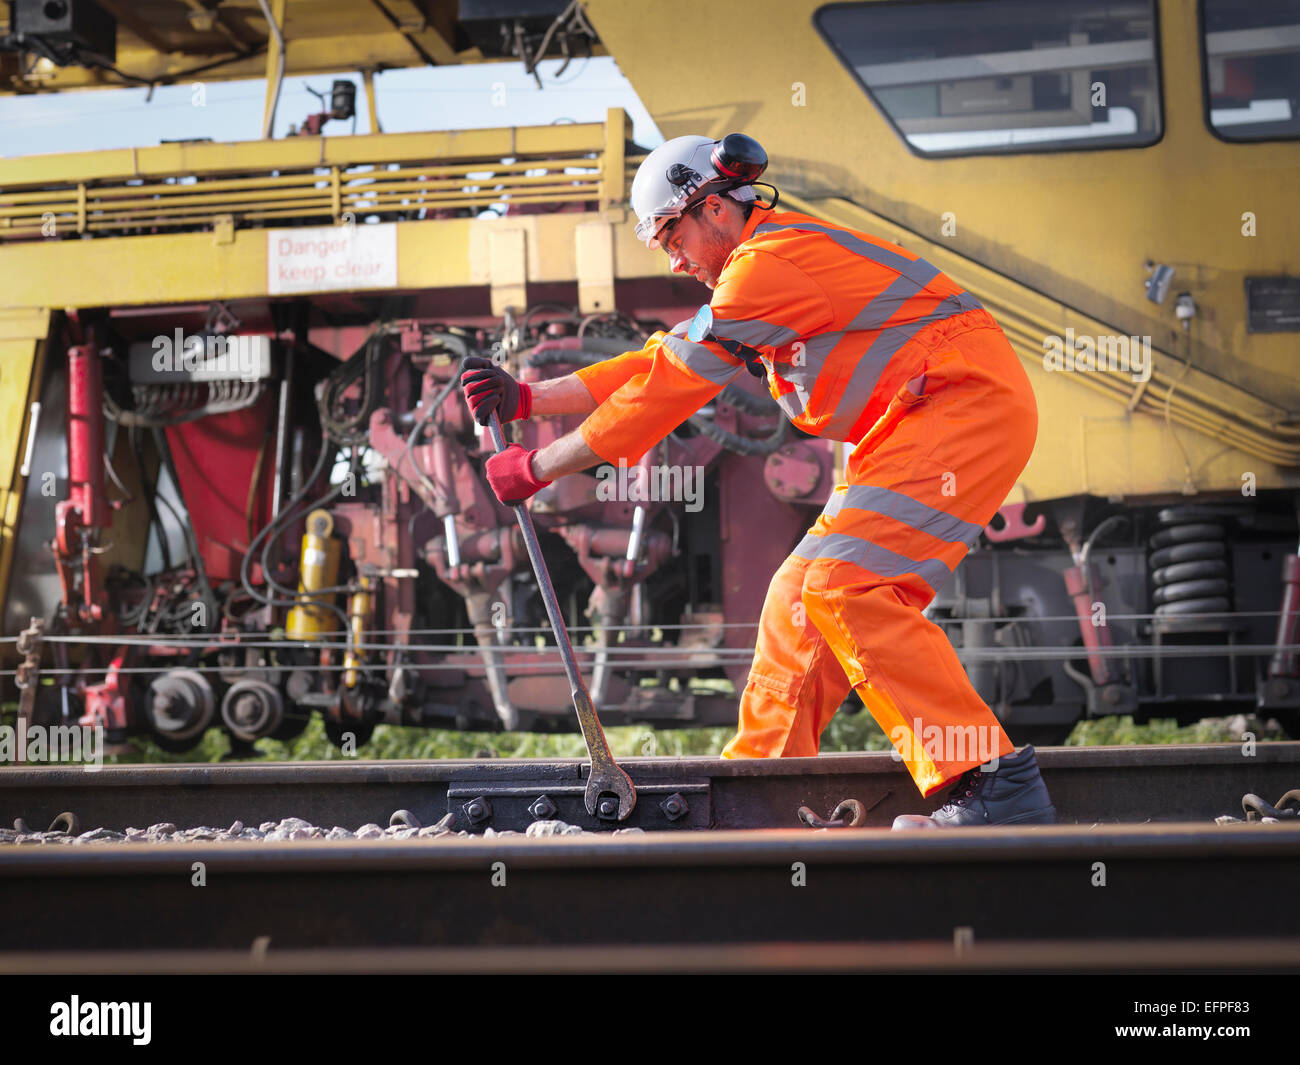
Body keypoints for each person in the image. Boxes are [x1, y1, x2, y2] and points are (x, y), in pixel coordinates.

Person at [460, 134, 1056, 828]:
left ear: (714, 208)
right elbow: (659, 359)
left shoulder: (766, 267)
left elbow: (665, 391)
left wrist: (536, 468)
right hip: (920, 419)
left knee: (845, 584)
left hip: (960, 406)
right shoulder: (762, 265)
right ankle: (761, 789)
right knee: (796, 599)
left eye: (672, 236)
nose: (674, 260)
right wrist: (528, 398)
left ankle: (992, 781)